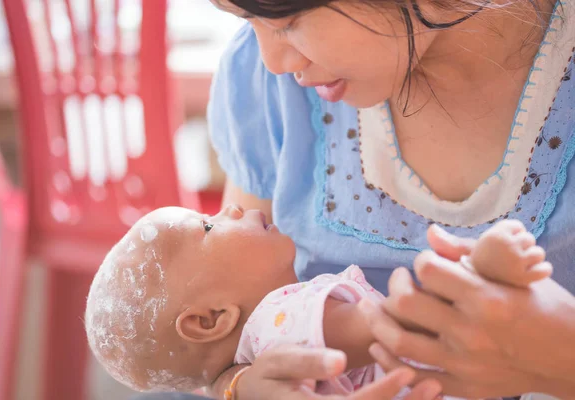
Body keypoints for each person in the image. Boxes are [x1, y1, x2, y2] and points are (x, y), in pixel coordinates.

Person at [135, 0, 575, 398]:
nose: (272, 61)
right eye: (246, 19)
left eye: (287, 21)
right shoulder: (262, 81)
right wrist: (236, 387)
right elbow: (216, 344)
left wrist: (559, 357)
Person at [89, 206, 546, 399]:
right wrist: (474, 274)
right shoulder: (279, 325)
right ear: (210, 319)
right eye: (207, 226)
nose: (227, 209)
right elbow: (384, 327)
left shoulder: (264, 357)